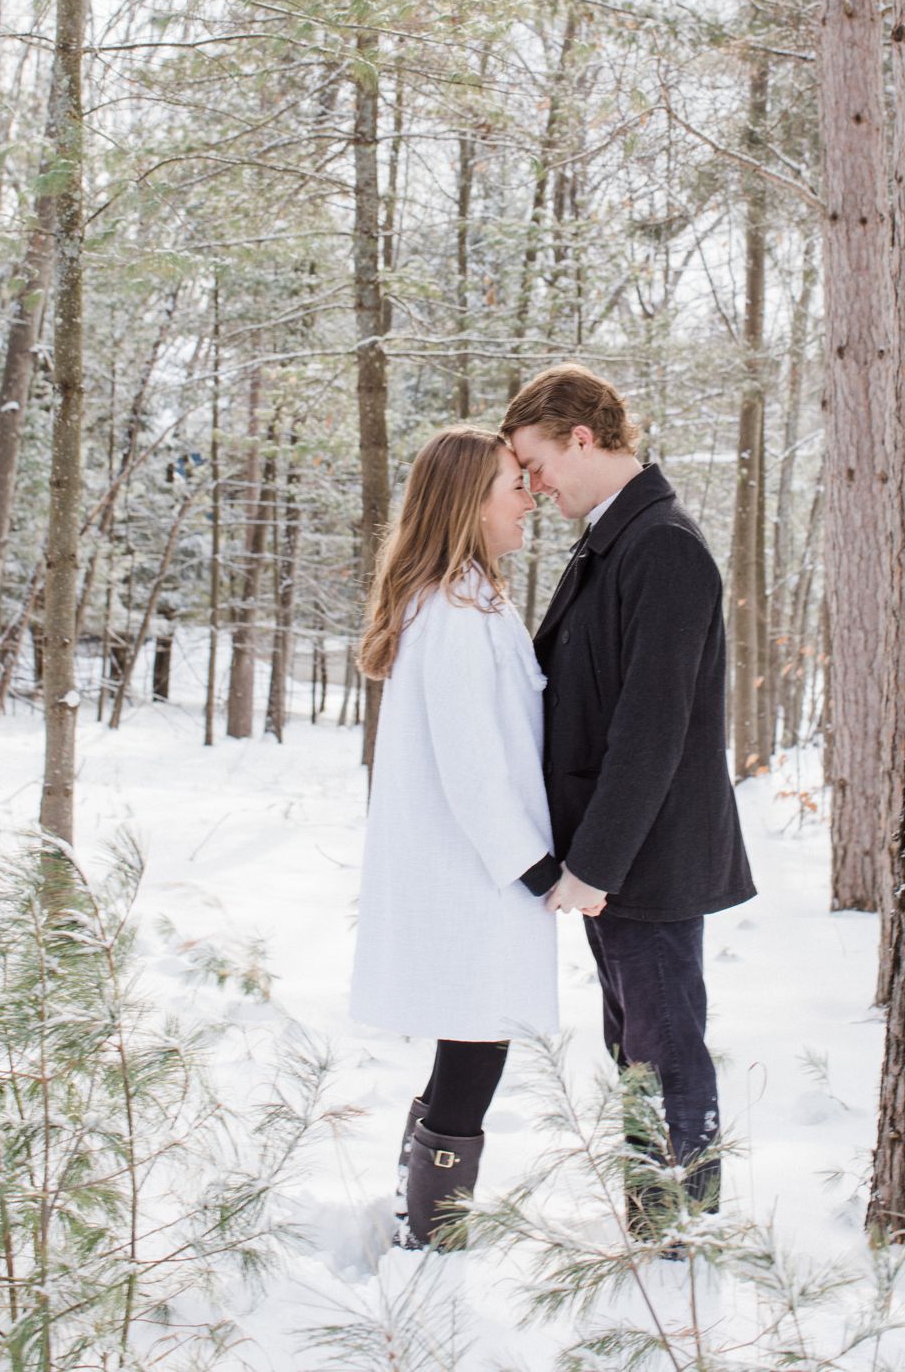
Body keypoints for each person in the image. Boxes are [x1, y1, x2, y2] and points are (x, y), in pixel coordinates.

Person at [503, 365, 756, 1222]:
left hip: (645, 856)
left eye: (535, 464)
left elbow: (653, 729)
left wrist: (597, 861)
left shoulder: (663, 547)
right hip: (615, 856)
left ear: (581, 437)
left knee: (663, 1047)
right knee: (635, 1045)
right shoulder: (614, 540)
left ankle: (681, 1230)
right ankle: (659, 1220)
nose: (532, 486)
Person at [350, 426, 585, 1250]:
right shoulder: (451, 611)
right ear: (469, 504)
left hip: (476, 865)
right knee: (476, 1042)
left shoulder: (470, 598)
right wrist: (534, 868)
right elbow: (471, 761)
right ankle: (432, 1228)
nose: (531, 499)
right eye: (514, 485)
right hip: (472, 869)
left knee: (471, 1040)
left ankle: (423, 1210)